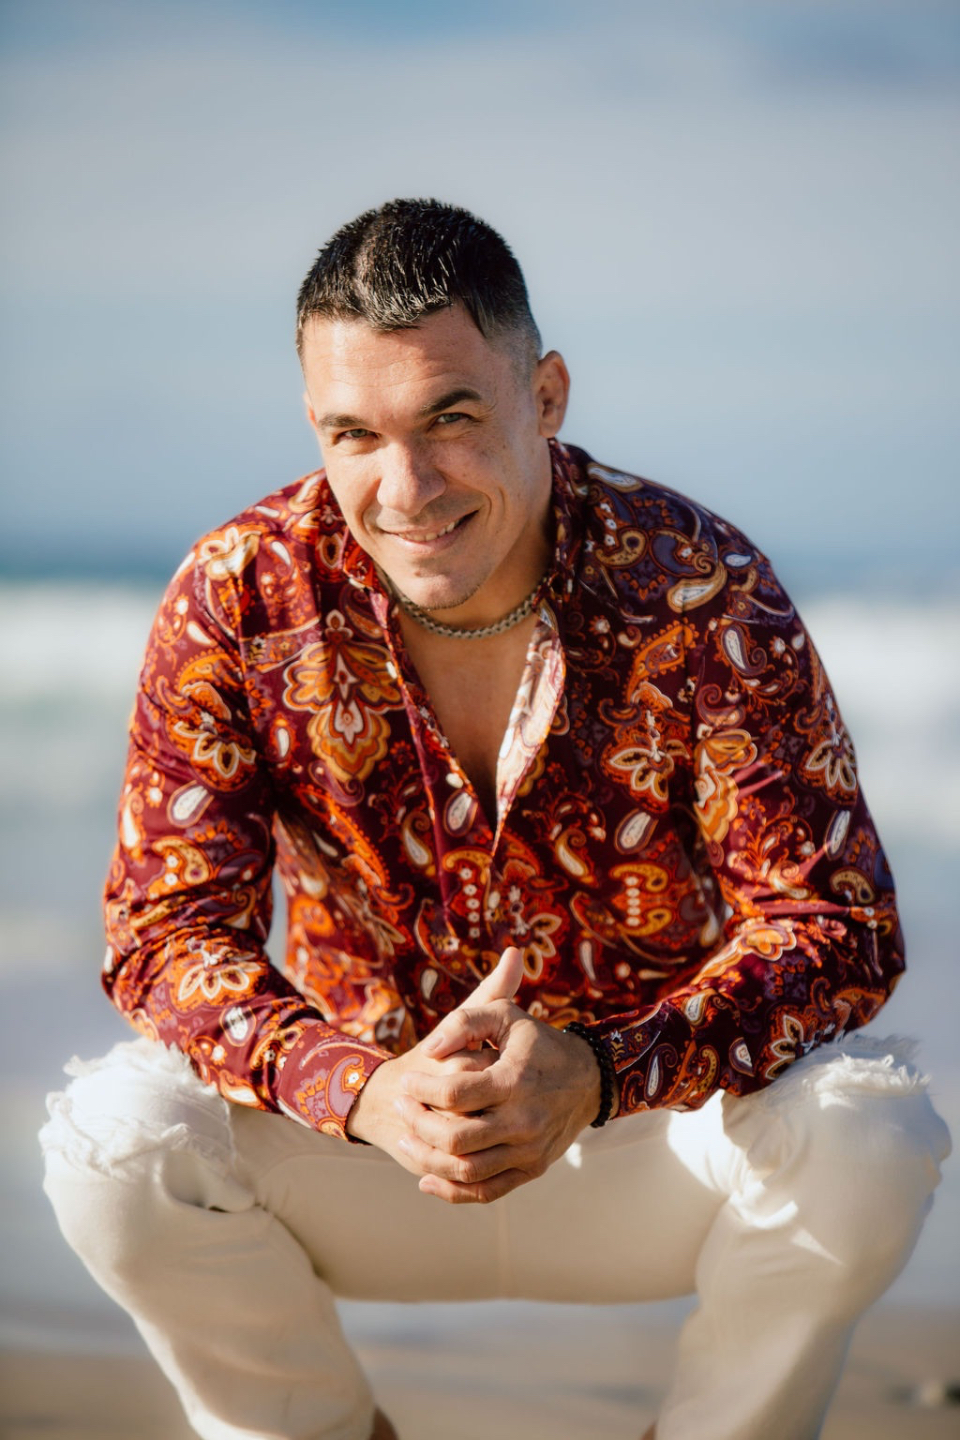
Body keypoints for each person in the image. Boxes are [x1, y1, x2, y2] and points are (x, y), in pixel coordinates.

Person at [41, 198, 949, 1440]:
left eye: (451, 419)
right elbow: (163, 935)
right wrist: (362, 1088)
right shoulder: (240, 593)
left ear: (548, 395)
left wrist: (603, 1072)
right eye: (354, 434)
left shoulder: (700, 583)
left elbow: (837, 924)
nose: (404, 487)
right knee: (115, 1149)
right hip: (365, 1152)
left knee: (871, 1136)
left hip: (648, 1139)